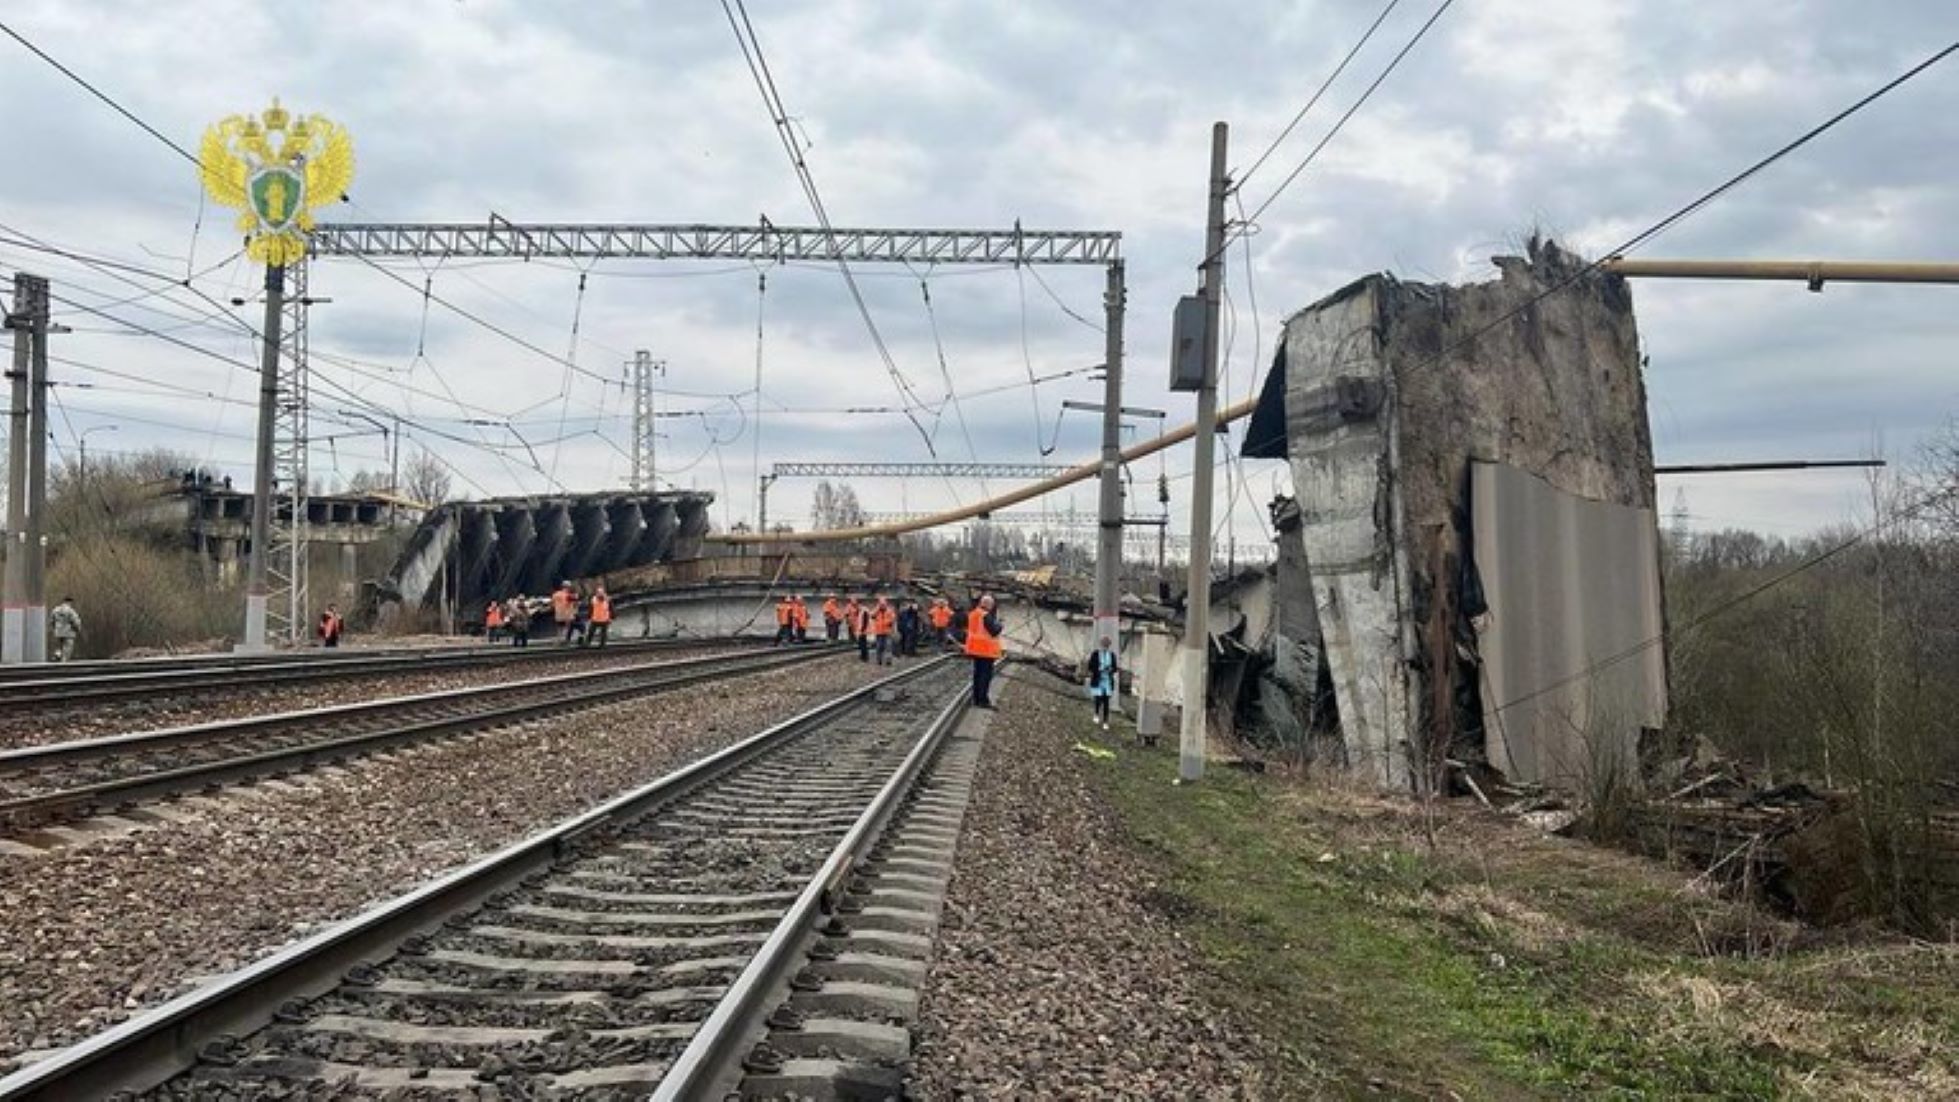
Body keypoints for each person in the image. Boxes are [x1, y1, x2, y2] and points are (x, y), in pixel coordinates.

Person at [961, 594, 1003, 709]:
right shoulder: (985, 615)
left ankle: (976, 698)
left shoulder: (973, 614)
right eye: (992, 604)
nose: (992, 606)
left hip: (975, 649)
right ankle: (983, 700)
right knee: (985, 676)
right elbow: (994, 631)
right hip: (986, 651)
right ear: (987, 604)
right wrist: (1000, 624)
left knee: (977, 675)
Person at [1083, 635, 1119, 730]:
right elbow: (1090, 666)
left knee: (1106, 700)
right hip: (1098, 679)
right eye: (1104, 645)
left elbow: (1115, 668)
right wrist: (1099, 669)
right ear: (1101, 645)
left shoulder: (1112, 655)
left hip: (1107, 680)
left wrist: (1110, 669)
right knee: (1098, 698)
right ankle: (1096, 713)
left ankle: (1106, 721)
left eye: (1107, 645)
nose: (1105, 647)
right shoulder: (1095, 654)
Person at [49, 596, 81, 662]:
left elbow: (51, 621)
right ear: (69, 602)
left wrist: (54, 628)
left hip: (58, 632)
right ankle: (64, 663)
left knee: (59, 646)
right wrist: (77, 629)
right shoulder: (70, 611)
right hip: (68, 633)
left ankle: (57, 655)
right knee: (67, 648)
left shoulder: (56, 610)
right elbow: (76, 621)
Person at [870, 596, 896, 666]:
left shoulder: (890, 610)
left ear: (886, 603)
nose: (882, 605)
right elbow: (871, 615)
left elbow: (893, 619)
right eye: (881, 604)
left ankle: (888, 661)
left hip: (887, 632)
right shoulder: (876, 611)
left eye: (883, 604)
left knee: (888, 647)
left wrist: (887, 622)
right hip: (879, 632)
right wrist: (877, 609)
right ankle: (879, 660)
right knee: (879, 647)